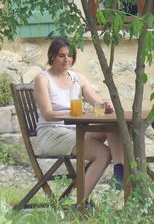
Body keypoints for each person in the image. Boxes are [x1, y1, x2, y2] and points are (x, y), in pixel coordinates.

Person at [33, 37, 124, 199]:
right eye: (61, 56)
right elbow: (47, 114)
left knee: (112, 127)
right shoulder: (43, 79)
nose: (67, 60)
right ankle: (81, 202)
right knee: (103, 153)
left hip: (76, 130)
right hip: (53, 134)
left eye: (70, 55)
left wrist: (105, 105)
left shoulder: (78, 78)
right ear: (52, 56)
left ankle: (120, 172)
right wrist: (71, 114)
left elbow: (97, 105)